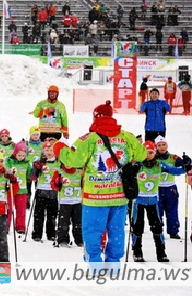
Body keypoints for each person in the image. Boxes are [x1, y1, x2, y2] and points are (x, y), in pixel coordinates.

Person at [52, 101, 146, 270]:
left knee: (93, 231)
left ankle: (94, 262)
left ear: (95, 117)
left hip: (95, 197)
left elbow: (74, 160)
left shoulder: (89, 139)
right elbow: (142, 154)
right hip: (119, 196)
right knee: (117, 231)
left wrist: (59, 148)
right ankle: (114, 264)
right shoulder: (127, 137)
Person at [130, 140, 186, 261]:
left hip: (153, 201)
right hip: (139, 201)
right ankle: (137, 252)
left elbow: (175, 170)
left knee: (157, 227)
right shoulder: (138, 165)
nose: (148, 155)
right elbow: (125, 173)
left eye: (151, 152)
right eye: (146, 152)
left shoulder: (159, 165)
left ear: (154, 153)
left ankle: (161, 253)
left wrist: (186, 166)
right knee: (137, 227)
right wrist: (132, 170)